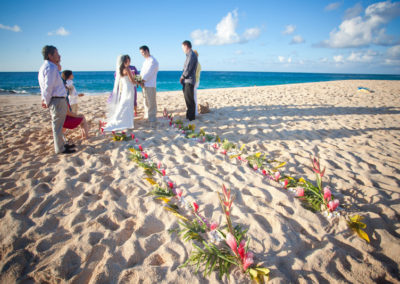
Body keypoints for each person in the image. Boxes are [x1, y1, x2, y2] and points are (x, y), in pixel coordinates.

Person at [38, 45, 76, 154]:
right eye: (57, 54)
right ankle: (60, 149)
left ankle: (62, 146)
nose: (59, 56)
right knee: (58, 126)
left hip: (57, 99)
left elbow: (47, 85)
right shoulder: (50, 68)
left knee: (59, 124)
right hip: (57, 100)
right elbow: (47, 86)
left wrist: (44, 99)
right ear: (50, 55)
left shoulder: (48, 67)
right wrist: (45, 100)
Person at [104, 55, 137, 132]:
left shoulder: (120, 69)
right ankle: (127, 122)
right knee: (128, 104)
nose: (129, 62)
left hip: (125, 89)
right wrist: (139, 82)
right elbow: (132, 81)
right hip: (129, 88)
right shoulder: (127, 69)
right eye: (128, 60)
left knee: (124, 104)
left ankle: (120, 118)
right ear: (126, 61)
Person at [139, 45, 159, 126]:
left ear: (147, 51)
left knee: (151, 102)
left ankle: (152, 118)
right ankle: (147, 115)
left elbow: (149, 73)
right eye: (141, 53)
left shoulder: (153, 61)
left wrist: (142, 80)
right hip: (144, 84)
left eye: (143, 52)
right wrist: (139, 80)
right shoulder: (145, 61)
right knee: (146, 101)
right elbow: (142, 72)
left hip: (150, 84)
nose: (142, 54)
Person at [180, 40, 198, 121]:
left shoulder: (191, 55)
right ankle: (189, 115)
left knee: (189, 99)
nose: (182, 49)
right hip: (187, 80)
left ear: (186, 46)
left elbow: (188, 69)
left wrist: (182, 77)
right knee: (188, 99)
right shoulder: (189, 55)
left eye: (183, 47)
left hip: (189, 80)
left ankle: (191, 117)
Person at [193, 50, 201, 116]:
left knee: (193, 97)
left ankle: (195, 112)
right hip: (197, 81)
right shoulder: (198, 63)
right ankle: (195, 112)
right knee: (194, 97)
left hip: (194, 81)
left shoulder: (195, 63)